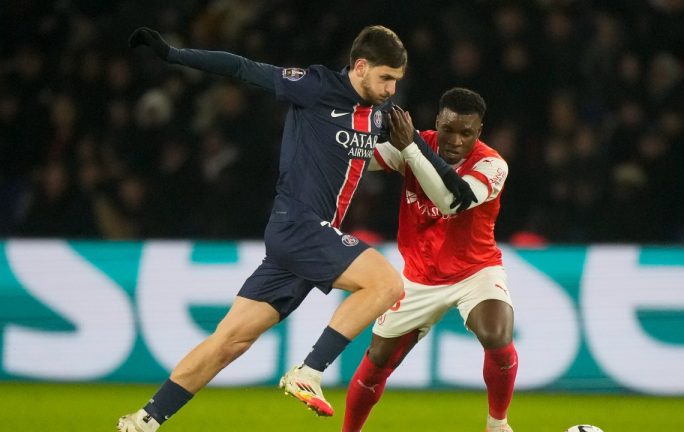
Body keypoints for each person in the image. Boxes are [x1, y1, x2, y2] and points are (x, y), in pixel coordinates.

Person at [118, 26, 477, 432]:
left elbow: (417, 146)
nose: (392, 89)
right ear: (360, 67)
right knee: (386, 284)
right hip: (299, 224)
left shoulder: (381, 114)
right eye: (386, 78)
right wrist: (172, 54)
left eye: (397, 80)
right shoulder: (315, 86)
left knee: (230, 341)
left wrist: (453, 180)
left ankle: (144, 420)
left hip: (306, 239)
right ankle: (310, 370)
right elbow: (243, 68)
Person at [343, 88, 518, 432]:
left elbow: (452, 201)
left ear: (479, 131)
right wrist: (350, 132)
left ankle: (497, 424)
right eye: (448, 129)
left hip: (475, 271)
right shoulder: (416, 141)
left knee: (497, 335)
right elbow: (363, 159)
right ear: (437, 121)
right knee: (378, 360)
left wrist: (409, 148)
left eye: (466, 133)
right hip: (419, 277)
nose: (456, 140)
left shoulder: (492, 164)